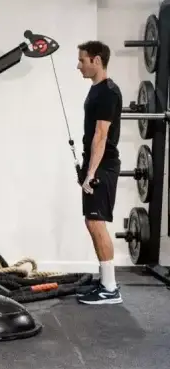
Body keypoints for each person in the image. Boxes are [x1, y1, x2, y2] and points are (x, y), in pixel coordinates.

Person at [75, 41, 123, 305]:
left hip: (103, 165)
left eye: (82, 60)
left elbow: (101, 135)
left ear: (96, 60)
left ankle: (110, 289)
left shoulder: (108, 92)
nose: (78, 65)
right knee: (91, 221)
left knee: (96, 222)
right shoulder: (97, 90)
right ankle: (105, 280)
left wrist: (91, 172)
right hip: (94, 164)